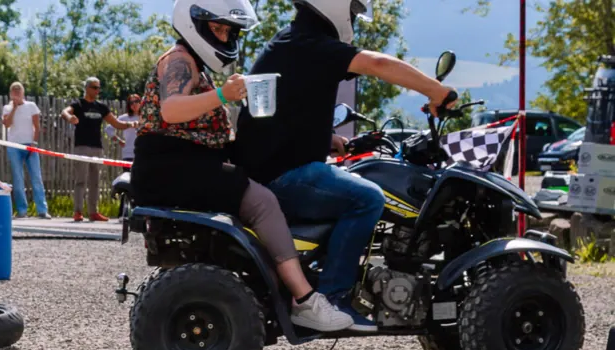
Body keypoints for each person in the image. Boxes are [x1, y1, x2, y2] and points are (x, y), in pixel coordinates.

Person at [235, 0, 457, 332]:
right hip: (283, 177)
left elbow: (288, 108)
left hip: (270, 170)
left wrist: (328, 139)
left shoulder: (293, 39)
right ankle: (331, 299)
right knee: (368, 198)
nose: (353, 18)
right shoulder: (313, 43)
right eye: (352, 11)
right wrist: (437, 90)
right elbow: (378, 63)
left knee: (352, 182)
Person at [132, 0, 353, 332]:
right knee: (263, 201)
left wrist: (322, 138)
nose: (223, 36)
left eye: (227, 30)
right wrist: (223, 94)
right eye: (217, 28)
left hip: (181, 165)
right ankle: (305, 299)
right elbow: (172, 110)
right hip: (171, 167)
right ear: (196, 24)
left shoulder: (193, 63)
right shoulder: (179, 61)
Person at [62, 77, 133, 222]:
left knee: (95, 181)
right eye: (94, 87)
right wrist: (70, 118)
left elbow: (117, 123)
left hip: (97, 148)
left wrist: (132, 125)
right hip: (81, 147)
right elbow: (65, 112)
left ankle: (93, 212)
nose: (97, 90)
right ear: (87, 88)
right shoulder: (78, 104)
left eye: (98, 88)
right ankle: (78, 212)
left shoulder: (101, 107)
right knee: (80, 180)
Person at [1, 82, 50, 219]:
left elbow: (37, 125)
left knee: (36, 177)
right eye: (14, 91)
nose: (16, 93)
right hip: (14, 146)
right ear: (10, 94)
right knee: (18, 178)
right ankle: (22, 210)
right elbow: (7, 124)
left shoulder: (31, 106)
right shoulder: (7, 108)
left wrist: (34, 142)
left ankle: (42, 209)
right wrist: (14, 108)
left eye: (19, 90)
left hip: (30, 145)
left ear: (23, 92)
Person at [106, 95, 142, 163]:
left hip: (143, 154)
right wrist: (119, 141)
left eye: (136, 101)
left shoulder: (146, 117)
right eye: (131, 103)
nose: (134, 104)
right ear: (129, 105)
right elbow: (108, 129)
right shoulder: (124, 118)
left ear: (141, 102)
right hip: (128, 154)